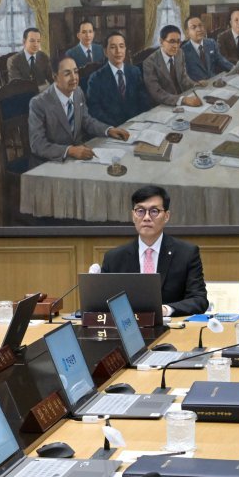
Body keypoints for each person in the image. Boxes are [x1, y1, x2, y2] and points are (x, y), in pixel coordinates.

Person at [100, 185, 208, 317]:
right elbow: (103, 303)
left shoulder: (187, 253)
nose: (146, 217)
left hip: (173, 332)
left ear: (166, 216)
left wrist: (166, 310)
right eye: (140, 211)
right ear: (133, 216)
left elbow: (199, 300)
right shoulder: (114, 258)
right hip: (129, 329)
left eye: (154, 211)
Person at [28, 56, 129, 166]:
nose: (74, 78)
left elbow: (86, 120)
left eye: (75, 72)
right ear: (55, 77)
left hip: (77, 158)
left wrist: (108, 130)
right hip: (50, 162)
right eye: (67, 74)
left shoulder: (78, 92)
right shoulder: (38, 103)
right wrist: (70, 150)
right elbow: (37, 144)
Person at [86, 31, 149, 128]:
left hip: (136, 125)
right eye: (112, 47)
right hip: (112, 129)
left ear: (125, 49)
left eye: (121, 46)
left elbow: (144, 100)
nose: (118, 51)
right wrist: (116, 127)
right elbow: (95, 111)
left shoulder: (134, 72)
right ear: (105, 52)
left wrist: (139, 122)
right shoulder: (96, 79)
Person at [141, 25, 201, 107]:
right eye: (172, 41)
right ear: (161, 42)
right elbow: (156, 92)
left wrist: (195, 84)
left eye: (178, 42)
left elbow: (183, 77)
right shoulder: (149, 63)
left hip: (182, 100)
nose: (176, 46)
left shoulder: (180, 53)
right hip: (163, 105)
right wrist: (182, 100)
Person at [180, 16, 233, 82]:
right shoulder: (182, 51)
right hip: (197, 86)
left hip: (214, 82)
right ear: (187, 33)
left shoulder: (211, 43)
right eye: (194, 27)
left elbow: (220, 60)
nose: (199, 29)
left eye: (200, 25)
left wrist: (234, 68)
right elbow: (183, 76)